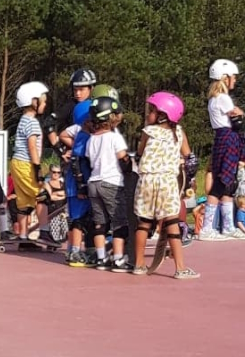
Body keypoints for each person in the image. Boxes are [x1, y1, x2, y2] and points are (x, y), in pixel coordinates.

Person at [131, 92, 198, 278]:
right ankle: (180, 267)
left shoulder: (147, 132)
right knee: (172, 223)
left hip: (146, 180)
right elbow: (190, 158)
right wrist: (188, 178)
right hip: (167, 181)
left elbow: (139, 154)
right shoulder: (179, 132)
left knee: (143, 223)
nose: (148, 114)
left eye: (152, 110)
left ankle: (139, 265)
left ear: (163, 114)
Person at [201, 58, 245, 240]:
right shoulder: (222, 98)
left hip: (224, 139)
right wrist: (240, 112)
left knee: (229, 184)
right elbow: (237, 114)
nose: (235, 80)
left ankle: (227, 227)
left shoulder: (214, 99)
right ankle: (207, 228)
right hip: (228, 139)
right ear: (225, 77)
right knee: (221, 183)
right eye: (233, 77)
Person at [85, 95, 131, 271]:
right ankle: (119, 259)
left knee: (100, 223)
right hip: (111, 182)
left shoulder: (91, 139)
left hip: (93, 183)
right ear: (110, 117)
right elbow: (123, 159)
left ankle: (101, 258)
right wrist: (129, 165)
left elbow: (91, 159)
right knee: (119, 221)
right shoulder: (114, 138)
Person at [9, 81, 49, 240]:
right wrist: (38, 169)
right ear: (33, 101)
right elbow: (32, 146)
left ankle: (23, 235)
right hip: (26, 164)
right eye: (43, 101)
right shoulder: (32, 123)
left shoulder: (23, 120)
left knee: (24, 202)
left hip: (16, 163)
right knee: (42, 195)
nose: (45, 105)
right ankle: (45, 232)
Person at [64, 100, 96, 267]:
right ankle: (74, 251)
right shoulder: (83, 136)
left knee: (84, 217)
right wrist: (80, 184)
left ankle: (76, 249)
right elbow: (76, 160)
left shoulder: (86, 135)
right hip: (77, 184)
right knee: (78, 218)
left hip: (80, 182)